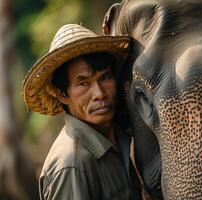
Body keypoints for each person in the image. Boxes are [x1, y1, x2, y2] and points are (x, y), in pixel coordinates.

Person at [22, 24, 142, 200]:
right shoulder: (71, 164)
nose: (99, 94)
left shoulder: (121, 138)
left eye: (105, 77)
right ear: (62, 94)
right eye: (83, 83)